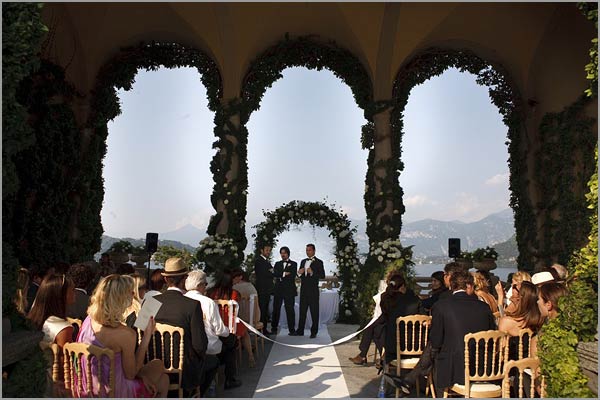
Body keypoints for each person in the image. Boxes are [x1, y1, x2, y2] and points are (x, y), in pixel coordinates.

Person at [76, 274, 169, 397]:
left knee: (163, 380)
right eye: (130, 292)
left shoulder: (88, 320)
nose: (133, 295)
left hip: (86, 386)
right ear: (119, 298)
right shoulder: (125, 334)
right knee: (159, 367)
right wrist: (146, 337)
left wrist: (142, 376)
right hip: (116, 391)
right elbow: (131, 374)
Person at [429, 269, 496, 395]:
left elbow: (436, 341)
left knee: (436, 358)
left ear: (452, 286)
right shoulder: (484, 307)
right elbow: (492, 337)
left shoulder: (441, 306)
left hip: (453, 371)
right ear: (469, 286)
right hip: (482, 368)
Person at [153, 258, 211, 397]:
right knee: (212, 362)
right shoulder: (192, 305)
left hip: (153, 367)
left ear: (166, 279)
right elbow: (200, 345)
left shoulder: (150, 302)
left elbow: (140, 334)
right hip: (183, 372)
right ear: (185, 278)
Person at [185, 270, 241, 387]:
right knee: (231, 341)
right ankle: (230, 378)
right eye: (205, 284)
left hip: (187, 345)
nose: (206, 287)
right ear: (199, 285)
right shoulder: (208, 302)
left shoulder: (183, 300)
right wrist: (228, 332)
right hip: (206, 344)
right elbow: (219, 330)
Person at [27, 273, 76, 383]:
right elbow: (64, 369)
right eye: (72, 290)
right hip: (52, 383)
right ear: (60, 295)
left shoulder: (35, 317)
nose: (75, 293)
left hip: (33, 377)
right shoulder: (63, 328)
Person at [381, 272, 426, 365]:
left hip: (393, 348)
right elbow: (424, 319)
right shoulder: (415, 301)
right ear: (402, 287)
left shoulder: (386, 300)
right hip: (414, 347)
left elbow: (385, 318)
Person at [497, 281, 545, 361]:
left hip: (510, 367)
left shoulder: (506, 322)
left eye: (514, 287)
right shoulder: (539, 319)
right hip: (530, 365)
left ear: (520, 297)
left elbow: (502, 354)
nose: (512, 285)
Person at [296, 243, 326, 338]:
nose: (307, 252)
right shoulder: (303, 261)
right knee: (302, 311)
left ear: (314, 251)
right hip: (304, 290)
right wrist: (299, 273)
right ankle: (300, 330)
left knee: (314, 312)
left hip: (313, 290)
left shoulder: (319, 262)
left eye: (309, 250)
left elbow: (322, 275)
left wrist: (312, 272)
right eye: (306, 250)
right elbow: (300, 274)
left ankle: (314, 332)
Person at [231, 268, 260, 366]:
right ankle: (250, 355)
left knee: (241, 327)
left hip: (242, 319)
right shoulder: (251, 286)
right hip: (255, 317)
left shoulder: (236, 289)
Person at [271, 246, 298, 336]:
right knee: (276, 309)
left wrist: (281, 275)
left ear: (288, 254)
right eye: (281, 253)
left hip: (289, 290)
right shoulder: (277, 263)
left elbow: (292, 275)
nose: (283, 254)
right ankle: (274, 328)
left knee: (290, 310)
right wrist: (284, 273)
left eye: (284, 253)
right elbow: (274, 273)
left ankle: (292, 329)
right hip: (278, 289)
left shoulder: (294, 264)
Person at [254, 245, 274, 335]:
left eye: (269, 250)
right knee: (262, 309)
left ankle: (264, 329)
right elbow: (264, 273)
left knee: (265, 309)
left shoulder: (266, 261)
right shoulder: (259, 261)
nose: (268, 252)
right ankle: (261, 330)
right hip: (262, 289)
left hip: (266, 289)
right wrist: (271, 272)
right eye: (267, 250)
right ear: (261, 250)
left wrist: (271, 271)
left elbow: (271, 271)